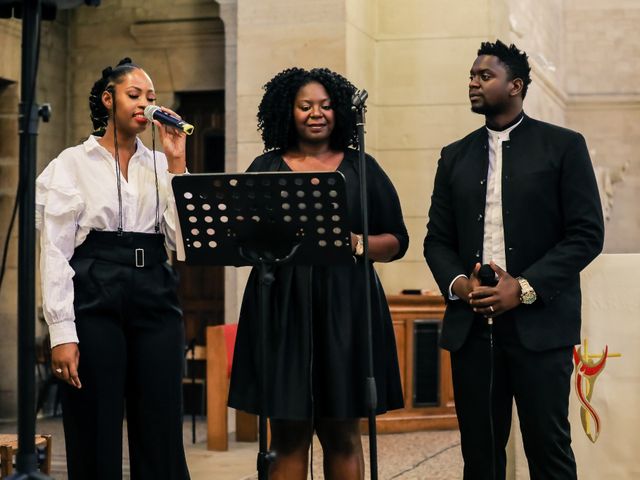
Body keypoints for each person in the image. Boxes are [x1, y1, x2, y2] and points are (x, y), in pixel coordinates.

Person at [424, 40, 605, 480]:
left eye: (484, 76)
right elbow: (436, 241)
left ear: (516, 86)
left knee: (549, 450)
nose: (473, 82)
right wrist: (460, 285)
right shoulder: (454, 156)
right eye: (471, 75)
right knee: (480, 458)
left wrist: (522, 288)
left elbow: (586, 234)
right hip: (472, 329)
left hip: (541, 328)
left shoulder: (562, 146)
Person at [228, 67, 408, 479]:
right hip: (281, 306)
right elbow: (239, 237)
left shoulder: (363, 168)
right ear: (287, 111)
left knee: (342, 431)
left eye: (325, 106)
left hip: (347, 304)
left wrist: (355, 242)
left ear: (339, 111)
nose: (316, 113)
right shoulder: (266, 166)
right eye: (305, 105)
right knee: (287, 434)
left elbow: (397, 240)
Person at [36, 58, 191, 480]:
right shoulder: (71, 164)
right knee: (95, 422)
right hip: (95, 287)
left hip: (154, 290)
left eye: (152, 98)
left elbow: (180, 244)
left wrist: (177, 164)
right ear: (109, 99)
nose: (145, 104)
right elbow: (54, 252)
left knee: (160, 421)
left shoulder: (161, 165)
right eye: (135, 95)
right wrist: (62, 333)